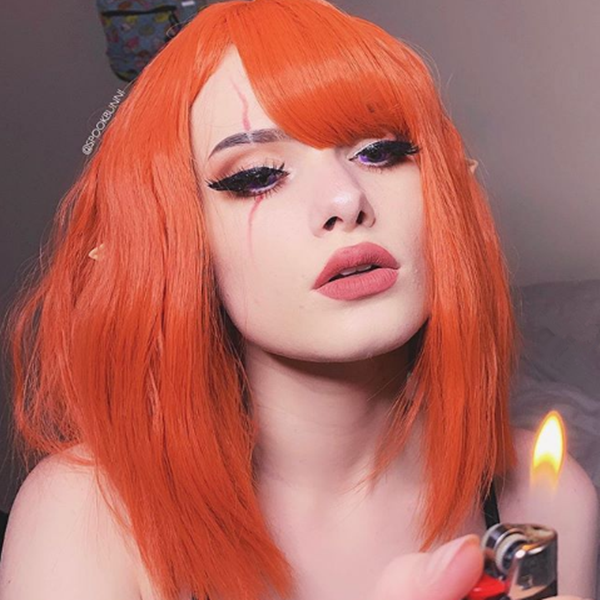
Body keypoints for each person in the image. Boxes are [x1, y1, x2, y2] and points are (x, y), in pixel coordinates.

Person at [0, 0, 597, 599]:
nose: (345, 199)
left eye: (381, 152)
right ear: (175, 241)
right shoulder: (88, 517)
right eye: (258, 175)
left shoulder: (545, 502)